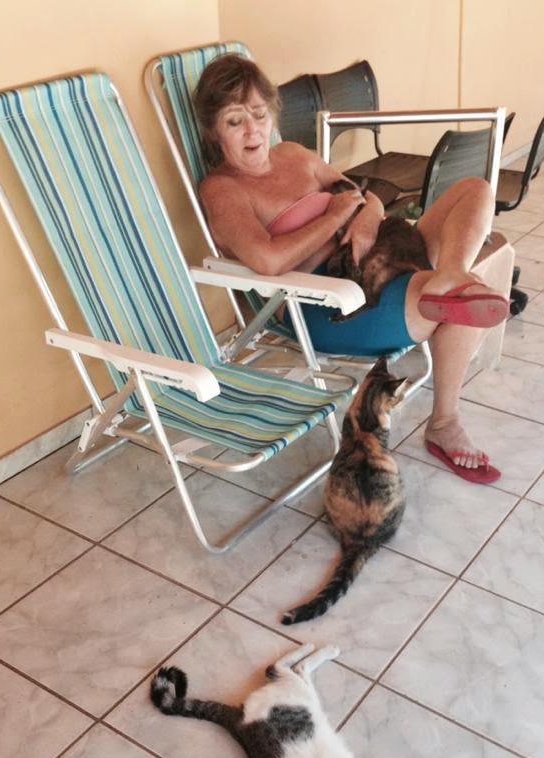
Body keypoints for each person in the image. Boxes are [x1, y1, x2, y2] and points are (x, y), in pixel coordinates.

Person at [194, 54, 510, 483]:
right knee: (456, 302)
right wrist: (337, 216)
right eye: (235, 121)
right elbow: (267, 260)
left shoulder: (293, 154)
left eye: (259, 114)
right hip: (324, 303)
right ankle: (444, 422)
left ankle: (451, 274)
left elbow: (364, 194)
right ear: (213, 131)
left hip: (378, 250)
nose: (252, 130)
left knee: (474, 189)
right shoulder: (223, 189)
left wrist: (366, 219)